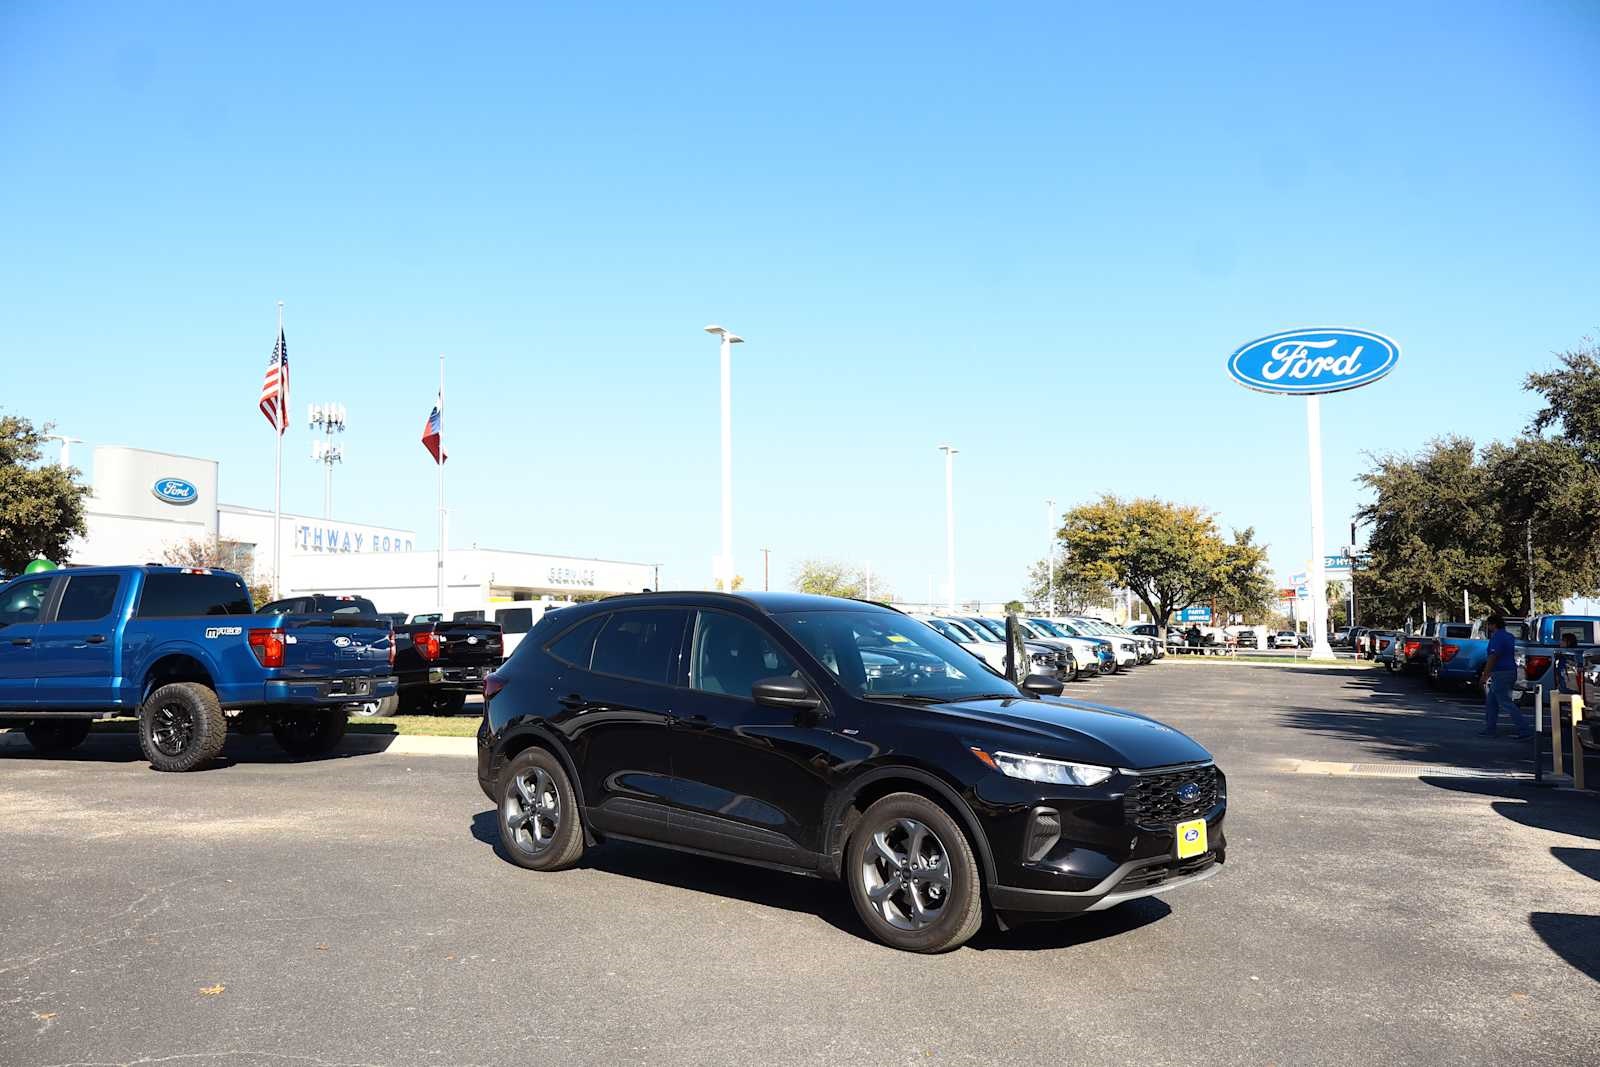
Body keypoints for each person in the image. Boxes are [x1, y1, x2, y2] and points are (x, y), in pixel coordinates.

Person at [1478, 614, 1531, 739]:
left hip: (1501, 673)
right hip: (1509, 671)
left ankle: (1525, 730)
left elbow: (1493, 657)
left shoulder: (1497, 638)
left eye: (1489, 625)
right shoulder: (1509, 636)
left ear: (1494, 625)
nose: (1488, 627)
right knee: (1491, 702)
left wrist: (1485, 675)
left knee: (1506, 702)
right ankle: (1490, 729)